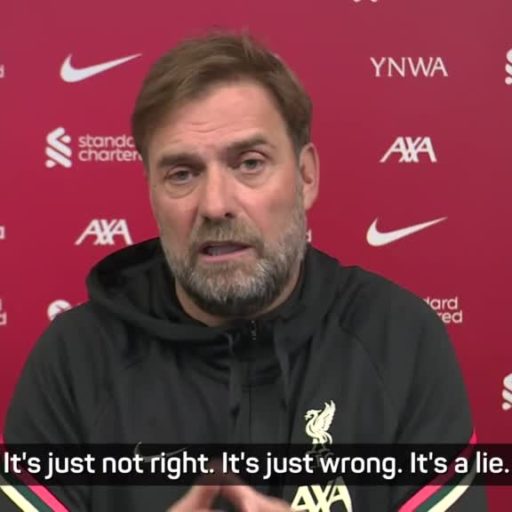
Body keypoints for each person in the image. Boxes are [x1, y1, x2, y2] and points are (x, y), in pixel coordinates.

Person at [2, 31, 487, 511]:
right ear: (150, 191)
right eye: (182, 174)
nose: (216, 204)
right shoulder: (76, 360)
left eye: (250, 164)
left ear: (305, 177)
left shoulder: (398, 338)